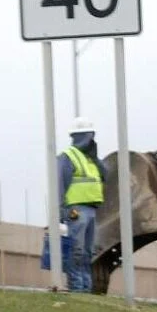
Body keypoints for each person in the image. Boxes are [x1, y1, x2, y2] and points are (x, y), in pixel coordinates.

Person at [57, 117, 106, 293]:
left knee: (88, 252)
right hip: (76, 209)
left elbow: (105, 175)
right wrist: (62, 211)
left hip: (92, 210)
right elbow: (60, 184)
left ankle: (86, 288)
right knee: (76, 250)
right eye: (89, 136)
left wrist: (96, 158)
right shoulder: (68, 156)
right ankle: (76, 287)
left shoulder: (91, 159)